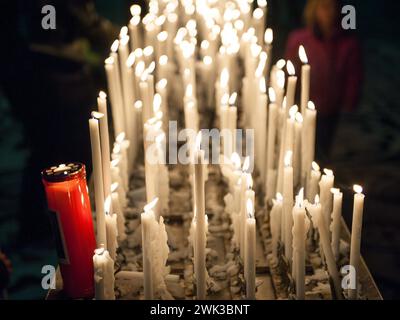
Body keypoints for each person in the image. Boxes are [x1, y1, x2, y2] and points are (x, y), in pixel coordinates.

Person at [285, 0, 363, 163]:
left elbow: (354, 76)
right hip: (302, 105)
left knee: (322, 149)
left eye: (334, 8)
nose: (330, 13)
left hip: (330, 109)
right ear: (314, 10)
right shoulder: (299, 40)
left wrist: (350, 102)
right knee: (299, 147)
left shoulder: (348, 44)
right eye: (325, 7)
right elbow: (290, 72)